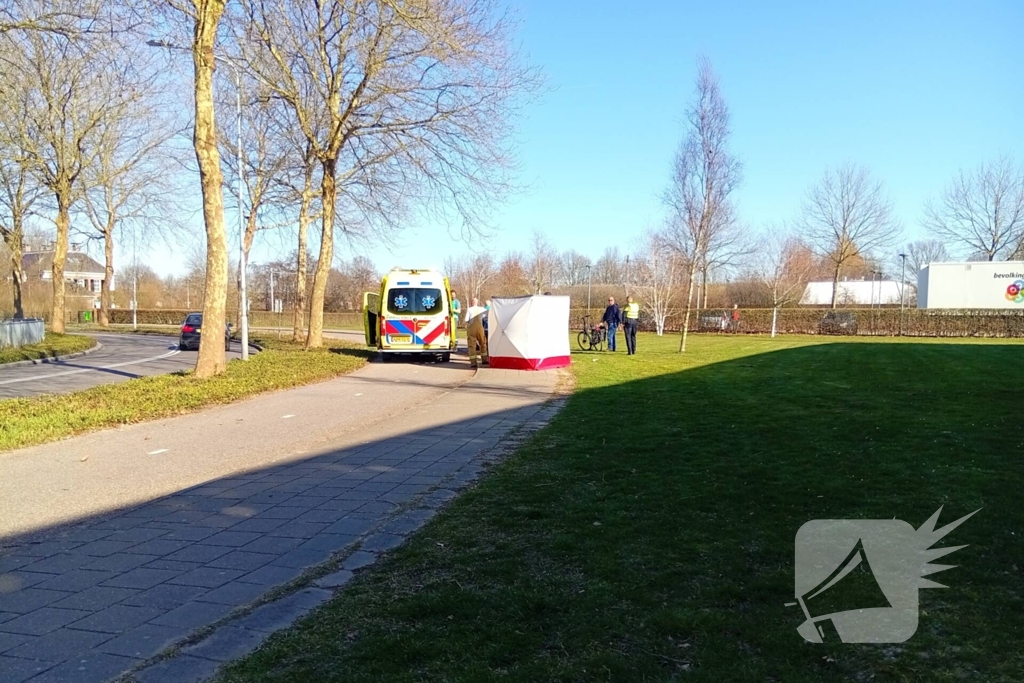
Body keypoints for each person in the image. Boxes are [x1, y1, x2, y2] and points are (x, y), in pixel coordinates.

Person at [465, 298, 488, 368]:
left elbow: (466, 319)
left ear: (472, 303)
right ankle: (484, 360)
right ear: (477, 303)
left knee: (472, 345)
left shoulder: (469, 309)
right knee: (483, 343)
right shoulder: (482, 309)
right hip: (480, 328)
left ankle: (473, 363)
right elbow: (486, 315)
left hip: (472, 328)